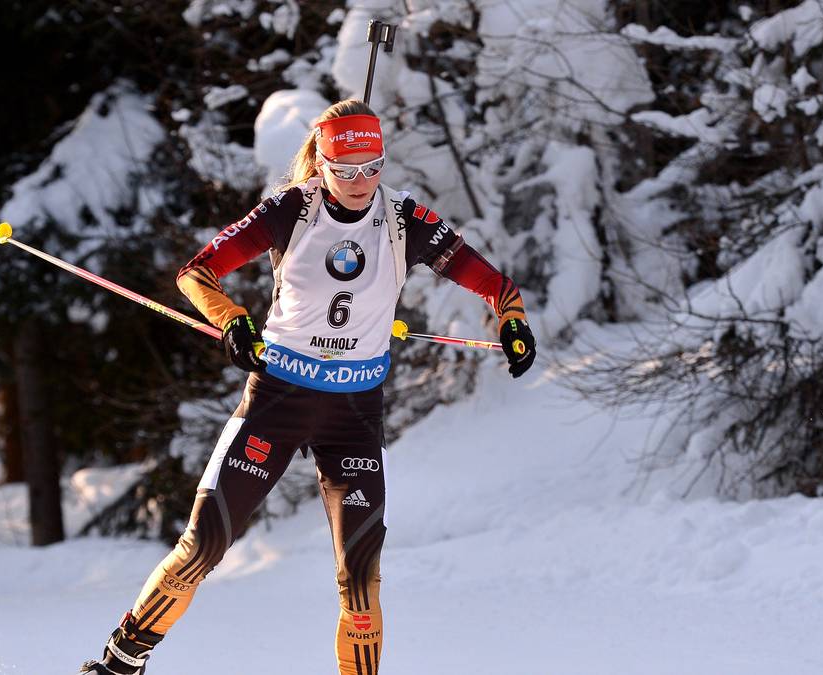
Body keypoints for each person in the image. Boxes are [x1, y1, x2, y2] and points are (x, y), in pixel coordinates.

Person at [79, 99, 535, 675]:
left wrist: (512, 318)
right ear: (320, 164)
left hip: (353, 416)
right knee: (203, 547)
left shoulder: (404, 220)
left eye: (373, 167)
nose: (360, 182)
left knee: (363, 585)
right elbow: (196, 273)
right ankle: (121, 662)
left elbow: (492, 281)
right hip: (278, 401)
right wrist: (230, 318)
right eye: (345, 170)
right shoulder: (292, 210)